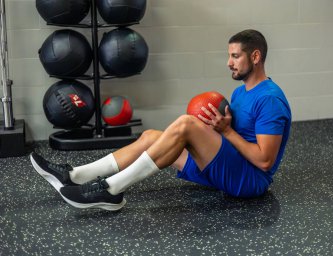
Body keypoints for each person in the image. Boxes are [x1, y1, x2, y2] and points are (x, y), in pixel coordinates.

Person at [31, 29, 292, 211]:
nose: (228, 63)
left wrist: (225, 132)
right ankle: (76, 175)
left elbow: (264, 160)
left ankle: (111, 191)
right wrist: (217, 129)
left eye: (235, 56)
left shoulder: (269, 100)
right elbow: (230, 136)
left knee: (186, 125)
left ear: (255, 57)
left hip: (249, 182)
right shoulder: (240, 91)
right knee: (151, 137)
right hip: (232, 166)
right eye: (229, 56)